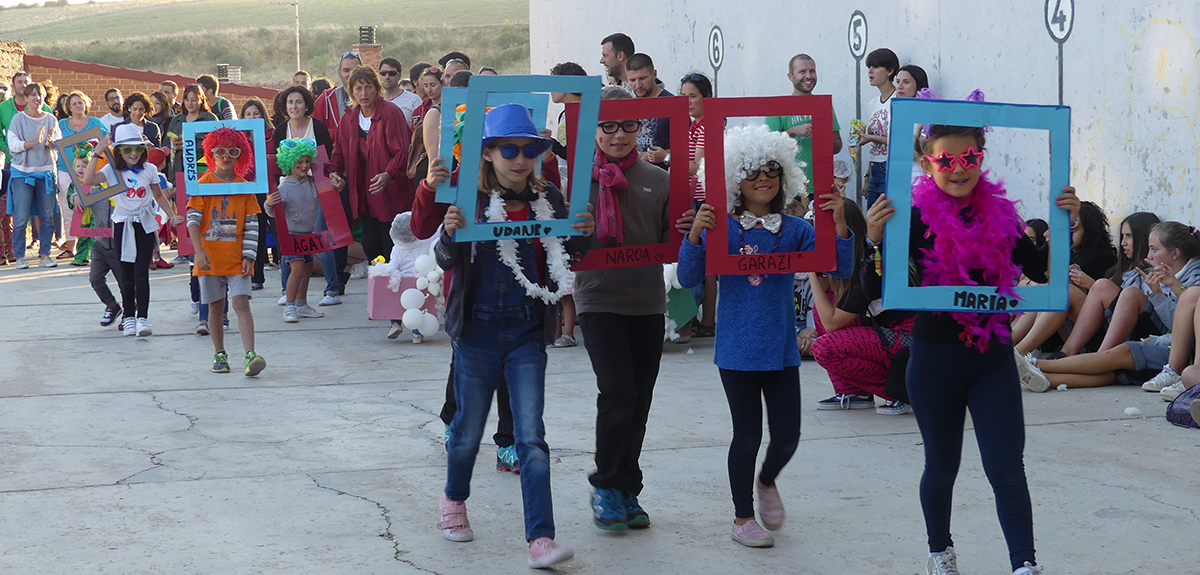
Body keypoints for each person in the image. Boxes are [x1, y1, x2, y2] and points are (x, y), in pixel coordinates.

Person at [867, 116, 1079, 575]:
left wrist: (1067, 223)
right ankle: (939, 552)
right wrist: (873, 239)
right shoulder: (913, 218)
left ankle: (1024, 564)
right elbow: (876, 292)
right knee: (942, 465)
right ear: (927, 164)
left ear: (981, 158)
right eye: (947, 159)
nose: (959, 168)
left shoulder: (1002, 217)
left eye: (969, 157)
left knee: (1007, 466)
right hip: (935, 359)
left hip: (992, 358)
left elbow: (1040, 272)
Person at [431, 103, 591, 568]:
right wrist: (449, 234)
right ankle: (453, 497)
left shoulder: (550, 198)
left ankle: (541, 538)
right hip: (476, 332)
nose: (520, 159)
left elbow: (570, 254)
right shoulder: (469, 199)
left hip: (526, 330)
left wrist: (584, 232)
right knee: (466, 432)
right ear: (487, 154)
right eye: (509, 150)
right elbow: (445, 259)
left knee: (531, 436)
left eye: (529, 150)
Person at [679, 124, 855, 548]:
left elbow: (841, 268)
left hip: (780, 349)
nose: (763, 178)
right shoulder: (721, 227)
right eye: (752, 171)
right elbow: (687, 277)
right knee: (747, 435)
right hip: (736, 350)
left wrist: (840, 225)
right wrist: (696, 234)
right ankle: (742, 518)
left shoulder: (795, 229)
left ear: (785, 175)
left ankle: (767, 479)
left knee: (789, 435)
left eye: (772, 170)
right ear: (734, 178)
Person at [576, 86, 695, 531]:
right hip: (598, 299)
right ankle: (606, 485)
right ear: (594, 130)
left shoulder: (660, 180)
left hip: (646, 301)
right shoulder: (577, 184)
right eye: (608, 125)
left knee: (639, 400)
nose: (618, 134)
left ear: (640, 128)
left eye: (628, 125)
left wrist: (686, 229)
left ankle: (628, 487)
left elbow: (672, 244)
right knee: (618, 393)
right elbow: (561, 248)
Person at [1016, 221, 1200, 391]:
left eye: (1153, 249)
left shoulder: (1193, 283)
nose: (1148, 255)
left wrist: (1162, 296)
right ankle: (1041, 372)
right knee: (1112, 369)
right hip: (1137, 340)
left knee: (1113, 366)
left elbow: (1183, 331)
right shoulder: (1150, 272)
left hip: (1165, 348)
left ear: (1175, 253)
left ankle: (1034, 363)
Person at [811, 201, 917, 414]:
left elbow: (831, 323)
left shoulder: (867, 262)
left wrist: (811, 270)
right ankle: (853, 393)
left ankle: (903, 391)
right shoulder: (855, 259)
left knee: (824, 347)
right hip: (889, 333)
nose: (817, 237)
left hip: (908, 338)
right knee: (823, 304)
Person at [81, 123, 182, 335]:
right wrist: (97, 153)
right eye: (127, 149)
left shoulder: (150, 169)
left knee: (141, 273)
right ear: (119, 151)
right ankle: (128, 317)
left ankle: (142, 318)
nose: (133, 154)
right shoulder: (112, 170)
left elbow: (158, 195)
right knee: (126, 273)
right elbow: (88, 179)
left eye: (137, 148)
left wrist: (171, 216)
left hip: (144, 224)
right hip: (122, 224)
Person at [186, 127, 266, 376]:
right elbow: (192, 221)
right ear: (211, 154)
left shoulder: (244, 187)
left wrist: (249, 256)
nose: (226, 156)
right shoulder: (203, 185)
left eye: (233, 151)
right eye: (220, 151)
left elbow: (252, 225)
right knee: (215, 306)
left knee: (242, 303)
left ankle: (250, 354)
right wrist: (199, 252)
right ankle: (219, 353)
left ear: (241, 154)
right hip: (210, 259)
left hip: (237, 259)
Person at [327, 66, 414, 263]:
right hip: (362, 190)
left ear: (376, 88)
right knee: (370, 242)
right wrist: (334, 171)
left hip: (390, 190)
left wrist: (388, 173)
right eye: (358, 88)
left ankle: (393, 278)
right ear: (351, 91)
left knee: (390, 240)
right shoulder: (348, 118)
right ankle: (379, 277)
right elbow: (339, 150)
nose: (363, 93)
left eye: (368, 87)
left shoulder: (391, 113)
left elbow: (402, 150)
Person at [1010, 202, 1117, 357]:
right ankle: (1011, 348)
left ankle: (1018, 352)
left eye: (1072, 227)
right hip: (1073, 332)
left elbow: (1056, 280)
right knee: (1045, 290)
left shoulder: (1098, 256)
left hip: (1098, 336)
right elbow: (1041, 272)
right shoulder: (1070, 252)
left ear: (1088, 230)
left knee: (1060, 292)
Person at [1056, 211, 1161, 357]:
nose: (1123, 243)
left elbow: (1130, 303)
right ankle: (1062, 353)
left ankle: (1087, 358)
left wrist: (1092, 285)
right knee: (1064, 291)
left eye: (1129, 236)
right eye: (1123, 236)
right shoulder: (1119, 270)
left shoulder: (1157, 272)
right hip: (1108, 330)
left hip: (1140, 333)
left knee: (1100, 286)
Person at [272, 85, 341, 306]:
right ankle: (287, 291)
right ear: (285, 106)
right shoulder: (280, 130)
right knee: (288, 241)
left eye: (299, 102)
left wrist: (334, 178)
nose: (294, 106)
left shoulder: (317, 127)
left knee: (320, 236)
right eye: (290, 102)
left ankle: (332, 290)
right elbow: (277, 165)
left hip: (316, 189)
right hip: (290, 190)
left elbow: (329, 160)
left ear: (306, 105)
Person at [265, 138, 326, 323]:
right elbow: (273, 212)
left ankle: (301, 304)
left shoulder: (312, 182)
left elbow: (327, 193)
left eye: (307, 161)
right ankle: (290, 306)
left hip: (308, 234)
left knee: (307, 270)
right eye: (300, 162)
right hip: (291, 235)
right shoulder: (284, 187)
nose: (304, 165)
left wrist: (337, 185)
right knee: (297, 269)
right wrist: (268, 203)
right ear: (290, 163)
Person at [765, 54, 845, 189]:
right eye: (802, 72)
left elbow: (837, 145)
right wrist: (791, 132)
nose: (808, 76)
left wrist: (823, 138)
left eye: (812, 71)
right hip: (788, 187)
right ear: (790, 76)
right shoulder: (778, 107)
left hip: (820, 184)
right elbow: (768, 148)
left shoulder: (824, 106)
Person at [6, 82, 62, 269]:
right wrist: (33, 142)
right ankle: (20, 257)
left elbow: (58, 144)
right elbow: (13, 146)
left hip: (46, 172)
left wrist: (51, 143)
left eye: (41, 95)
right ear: (26, 98)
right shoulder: (18, 119)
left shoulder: (51, 119)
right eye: (34, 95)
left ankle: (45, 255)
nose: (38, 98)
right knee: (21, 217)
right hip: (22, 174)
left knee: (47, 217)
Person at [56, 90, 108, 262]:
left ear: (86, 104)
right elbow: (54, 144)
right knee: (68, 208)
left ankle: (93, 247)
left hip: (90, 173)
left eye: (81, 102)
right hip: (65, 170)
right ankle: (71, 247)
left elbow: (107, 141)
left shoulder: (95, 123)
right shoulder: (61, 124)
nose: (78, 106)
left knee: (91, 210)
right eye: (74, 103)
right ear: (69, 108)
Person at [854, 48, 899, 208]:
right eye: (869, 67)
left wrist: (871, 138)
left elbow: (901, 140)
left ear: (890, 71)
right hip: (875, 168)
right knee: (872, 218)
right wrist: (867, 176)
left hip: (892, 166)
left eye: (876, 67)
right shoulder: (872, 103)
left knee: (889, 217)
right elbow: (873, 145)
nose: (870, 71)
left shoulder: (899, 99)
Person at [165, 85, 219, 186]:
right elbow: (166, 143)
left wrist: (190, 144)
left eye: (194, 100)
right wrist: (174, 146)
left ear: (201, 100)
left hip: (202, 169)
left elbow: (216, 144)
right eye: (187, 100)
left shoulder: (209, 118)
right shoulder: (176, 120)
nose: (190, 103)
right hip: (178, 169)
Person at [624, 53, 672, 168]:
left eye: (642, 78)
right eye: (632, 80)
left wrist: (664, 155)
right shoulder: (629, 105)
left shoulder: (671, 104)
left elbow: (688, 146)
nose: (638, 85)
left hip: (663, 174)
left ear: (654, 74)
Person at [311, 52, 361, 133]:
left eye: (355, 70)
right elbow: (312, 127)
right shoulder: (327, 98)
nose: (351, 74)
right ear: (339, 73)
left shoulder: (372, 98)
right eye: (346, 70)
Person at [380, 57, 422, 125]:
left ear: (399, 76)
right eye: (383, 73)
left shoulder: (413, 100)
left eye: (392, 73)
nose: (387, 77)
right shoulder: (373, 100)